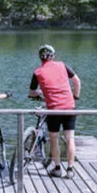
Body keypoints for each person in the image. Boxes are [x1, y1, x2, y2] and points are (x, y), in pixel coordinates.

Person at [28, 44, 81, 179]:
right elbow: (77, 82)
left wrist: (40, 94)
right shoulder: (63, 65)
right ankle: (70, 169)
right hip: (69, 106)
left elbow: (32, 93)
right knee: (70, 138)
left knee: (54, 139)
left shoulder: (38, 72)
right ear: (53, 56)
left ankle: (57, 168)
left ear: (40, 58)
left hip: (53, 109)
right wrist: (75, 96)